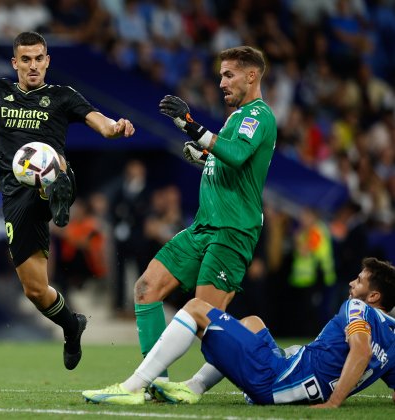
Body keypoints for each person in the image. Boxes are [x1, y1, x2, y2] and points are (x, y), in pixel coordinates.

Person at [0, 27, 134, 369]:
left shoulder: (63, 96)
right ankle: (71, 325)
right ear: (15, 62)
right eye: (26, 60)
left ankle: (56, 194)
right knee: (35, 290)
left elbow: (102, 125)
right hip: (16, 200)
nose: (33, 66)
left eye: (39, 59)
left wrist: (117, 127)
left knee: (52, 164)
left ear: (48, 61)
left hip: (56, 176)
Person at [132, 45, 277, 388]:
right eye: (221, 76)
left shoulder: (259, 115)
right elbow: (228, 162)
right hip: (203, 226)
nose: (222, 83)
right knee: (146, 288)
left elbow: (238, 155)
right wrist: (203, 156)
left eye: (229, 75)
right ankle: (156, 385)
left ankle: (267, 358)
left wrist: (191, 125)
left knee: (204, 323)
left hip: (232, 230)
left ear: (251, 75)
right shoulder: (235, 118)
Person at [83, 257, 395, 407]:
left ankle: (133, 386)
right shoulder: (392, 338)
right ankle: (193, 386)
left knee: (195, 308)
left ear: (374, 297)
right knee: (253, 323)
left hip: (275, 379)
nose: (353, 283)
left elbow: (361, 349)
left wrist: (334, 402)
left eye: (360, 280)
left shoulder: (359, 308)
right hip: (288, 379)